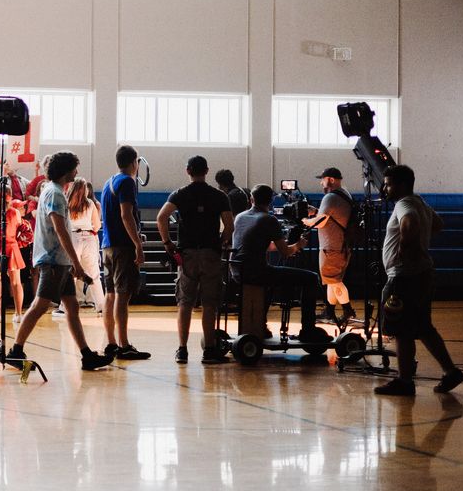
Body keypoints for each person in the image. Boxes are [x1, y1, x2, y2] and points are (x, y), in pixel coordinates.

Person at [7, 153, 113, 371]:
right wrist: (76, 262)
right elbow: (60, 229)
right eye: (75, 168)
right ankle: (15, 351)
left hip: (59, 260)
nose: (77, 172)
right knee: (40, 305)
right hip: (54, 260)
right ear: (66, 171)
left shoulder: (52, 191)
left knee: (72, 307)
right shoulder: (55, 194)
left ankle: (86, 354)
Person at [374, 165, 463, 397]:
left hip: (403, 276)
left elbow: (410, 224)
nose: (385, 188)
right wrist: (421, 244)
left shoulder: (404, 204)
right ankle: (451, 371)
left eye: (388, 183)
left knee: (401, 330)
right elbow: (438, 224)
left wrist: (405, 250)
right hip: (423, 274)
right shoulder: (420, 202)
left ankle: (404, 381)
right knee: (424, 327)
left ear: (402, 185)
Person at [156, 155, 234, 364]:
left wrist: (167, 243)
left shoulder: (180, 194)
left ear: (188, 171)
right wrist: (222, 243)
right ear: (207, 171)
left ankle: (182, 350)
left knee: (185, 302)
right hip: (210, 253)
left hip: (188, 254)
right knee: (209, 304)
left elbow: (161, 217)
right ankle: (209, 350)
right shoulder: (219, 196)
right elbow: (229, 225)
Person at [229, 185, 322, 340]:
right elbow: (285, 252)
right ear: (271, 201)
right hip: (256, 272)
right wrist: (298, 245)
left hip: (237, 270)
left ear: (251, 199)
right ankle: (308, 329)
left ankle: (260, 324)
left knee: (272, 278)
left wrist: (287, 245)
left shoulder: (240, 217)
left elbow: (259, 245)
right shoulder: (268, 219)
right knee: (311, 278)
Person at [98, 146, 151, 361]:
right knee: (122, 294)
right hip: (122, 246)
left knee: (110, 295)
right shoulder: (128, 182)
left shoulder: (108, 182)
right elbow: (126, 215)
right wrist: (137, 243)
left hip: (107, 245)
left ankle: (111, 342)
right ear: (134, 163)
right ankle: (124, 344)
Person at [302, 167, 357, 324]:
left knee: (334, 281)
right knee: (331, 280)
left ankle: (348, 312)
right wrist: (317, 211)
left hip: (332, 247)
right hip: (341, 245)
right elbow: (332, 216)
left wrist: (305, 221)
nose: (321, 183)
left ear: (331, 180)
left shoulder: (330, 197)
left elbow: (320, 222)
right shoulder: (344, 193)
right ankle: (329, 312)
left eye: (323, 179)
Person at [0, 195, 30, 326]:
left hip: (1, 246)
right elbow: (20, 228)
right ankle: (18, 314)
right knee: (15, 281)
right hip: (10, 246)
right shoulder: (15, 212)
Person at [66, 179, 104, 311]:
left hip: (73, 237)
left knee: (71, 273)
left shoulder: (67, 203)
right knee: (94, 274)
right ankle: (100, 305)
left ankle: (65, 307)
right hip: (89, 237)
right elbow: (97, 225)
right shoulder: (90, 203)